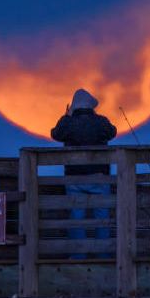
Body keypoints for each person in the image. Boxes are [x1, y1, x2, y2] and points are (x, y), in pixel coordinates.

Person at [50, 89, 117, 256]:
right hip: (99, 178)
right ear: (90, 106)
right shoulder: (101, 122)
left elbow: (55, 134)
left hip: (75, 178)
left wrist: (66, 115)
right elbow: (113, 132)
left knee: (76, 219)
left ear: (74, 106)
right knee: (102, 218)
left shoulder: (69, 123)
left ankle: (78, 256)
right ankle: (104, 255)